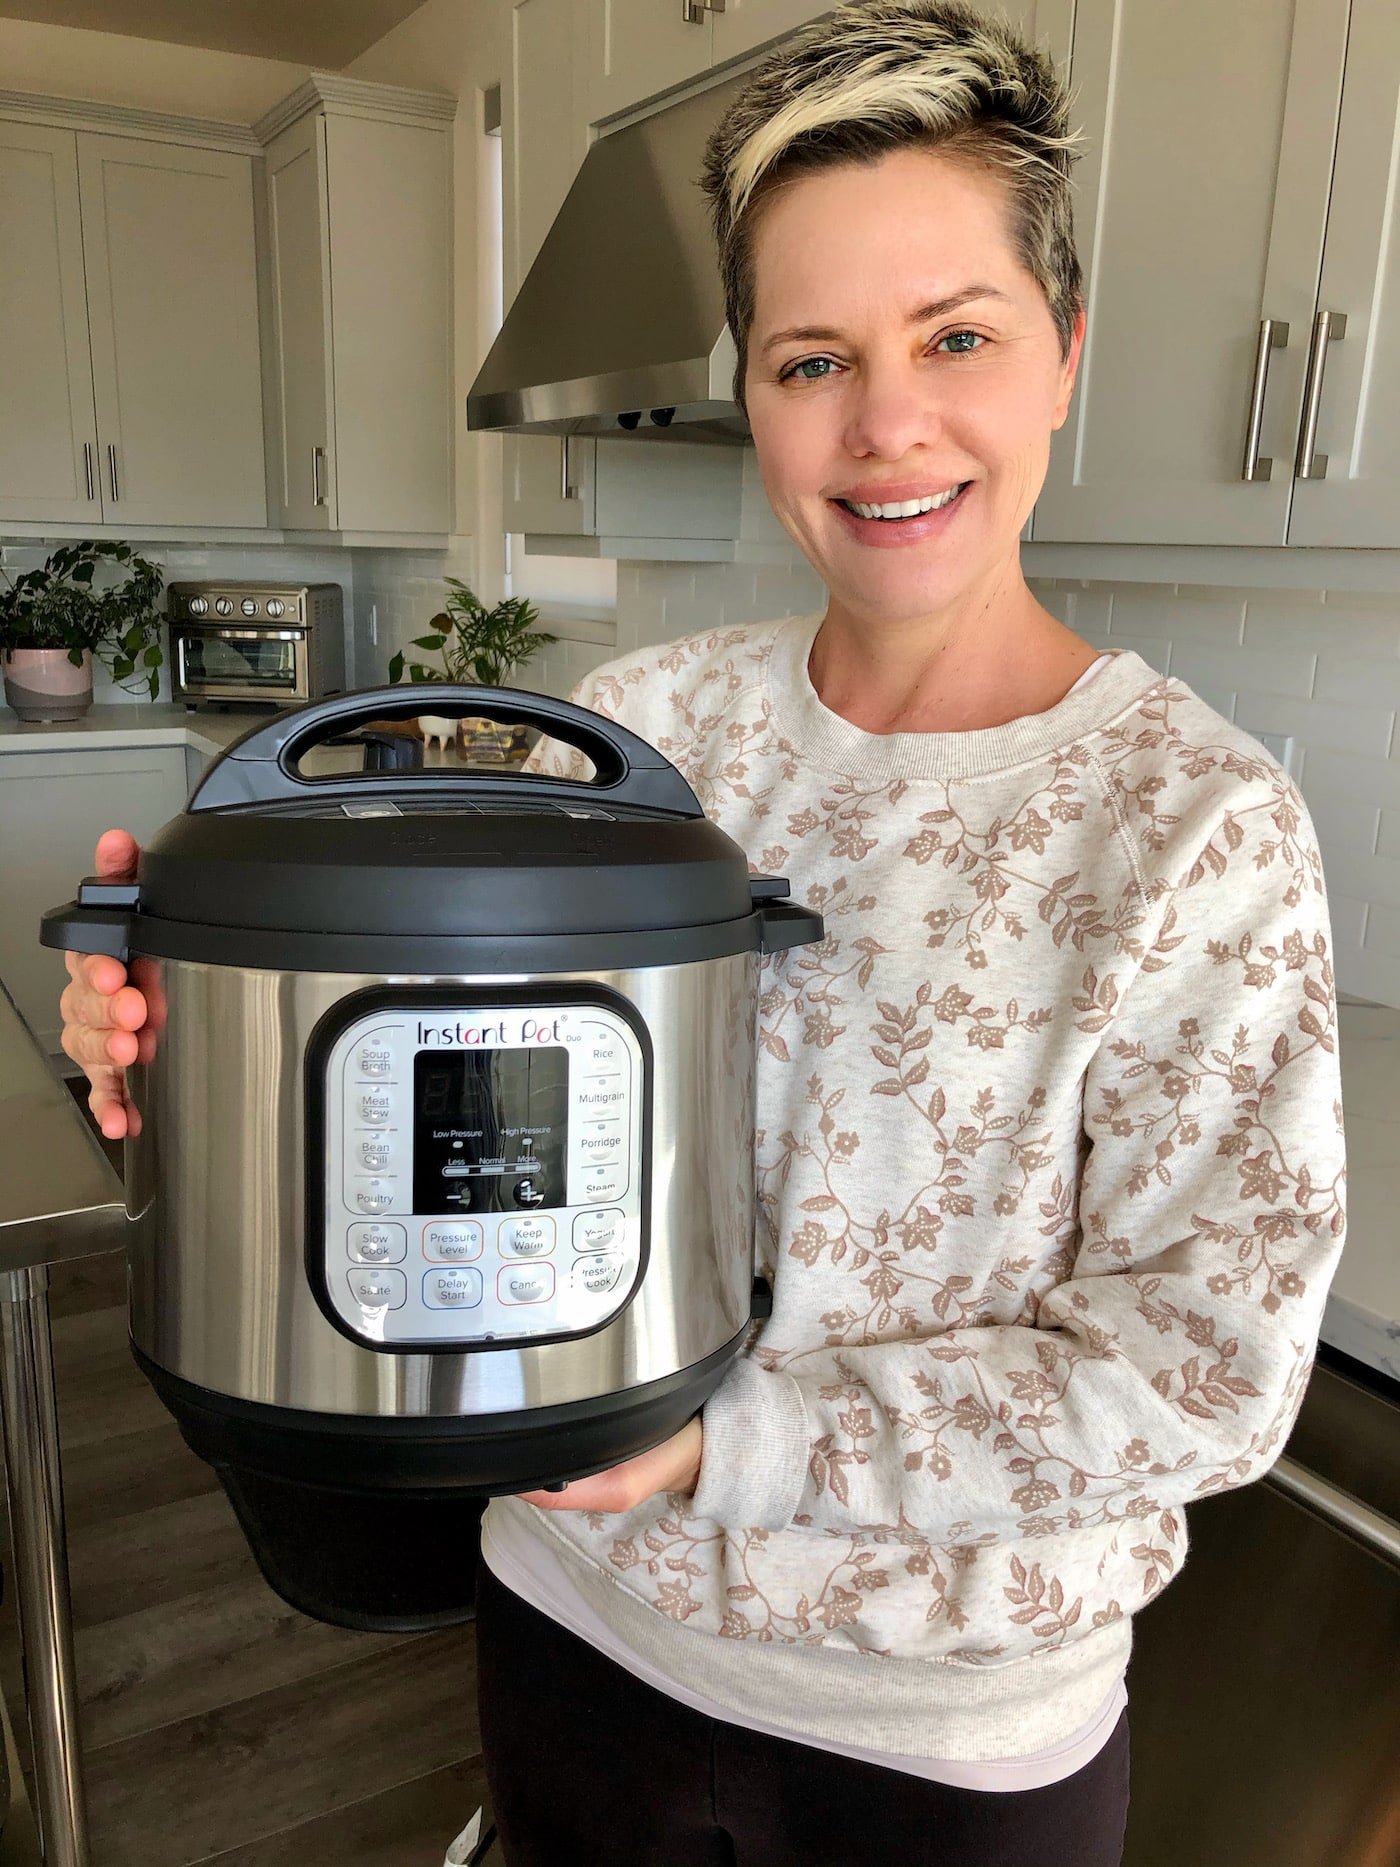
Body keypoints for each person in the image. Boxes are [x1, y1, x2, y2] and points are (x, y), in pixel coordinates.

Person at [60, 4, 1346, 1862]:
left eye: (957, 338)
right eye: (815, 356)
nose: (887, 421)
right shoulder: (648, 736)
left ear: (1065, 357)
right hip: (577, 1614)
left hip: (943, 1736)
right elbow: (431, 1110)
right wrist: (187, 1053)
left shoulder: (1193, 827)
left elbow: (1206, 1372)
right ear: (750, 388)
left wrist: (717, 1452)